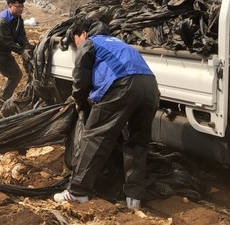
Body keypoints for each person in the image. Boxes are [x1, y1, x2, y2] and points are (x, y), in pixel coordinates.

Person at [53, 17, 159, 211]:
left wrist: (79, 101)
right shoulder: (117, 42)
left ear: (83, 34)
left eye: (76, 40)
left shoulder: (90, 42)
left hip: (123, 86)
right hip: (150, 88)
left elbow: (80, 77)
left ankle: (78, 192)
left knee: (95, 138)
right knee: (137, 143)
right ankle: (134, 198)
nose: (77, 46)